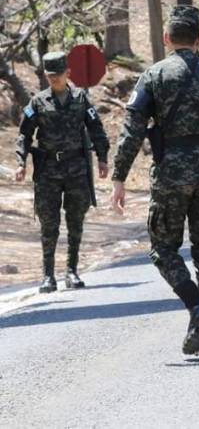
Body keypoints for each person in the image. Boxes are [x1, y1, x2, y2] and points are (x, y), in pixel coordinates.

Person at [110, 5, 199, 357]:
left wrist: (119, 176)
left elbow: (132, 131)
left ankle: (196, 308)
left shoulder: (154, 76)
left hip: (170, 172)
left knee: (162, 248)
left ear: (167, 38)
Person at [15, 51, 109, 293]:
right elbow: (25, 134)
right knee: (49, 223)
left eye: (58, 75)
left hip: (76, 168)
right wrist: (21, 162)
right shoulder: (37, 102)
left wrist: (102, 158)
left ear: (67, 73)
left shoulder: (80, 99)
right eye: (50, 76)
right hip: (48, 170)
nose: (54, 80)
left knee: (75, 219)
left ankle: (72, 270)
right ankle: (48, 275)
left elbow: (96, 128)